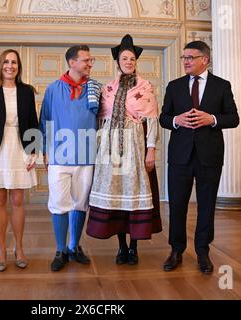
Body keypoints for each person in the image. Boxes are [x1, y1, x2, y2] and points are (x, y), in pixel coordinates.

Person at [159, 41, 239, 274]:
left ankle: (203, 252)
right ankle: (176, 250)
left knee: (206, 206)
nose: (185, 61)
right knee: (177, 205)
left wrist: (212, 119)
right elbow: (164, 117)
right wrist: (176, 121)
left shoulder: (222, 86)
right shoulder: (174, 86)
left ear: (205, 59)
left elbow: (233, 118)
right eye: (184, 57)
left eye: (190, 57)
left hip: (210, 156)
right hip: (179, 157)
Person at [86, 34, 162, 265]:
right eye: (124, 58)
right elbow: (100, 121)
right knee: (117, 195)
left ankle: (134, 247)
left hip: (135, 147)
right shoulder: (107, 88)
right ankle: (121, 247)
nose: (129, 62)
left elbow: (151, 121)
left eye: (132, 59)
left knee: (133, 194)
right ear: (117, 62)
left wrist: (151, 150)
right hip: (110, 151)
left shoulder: (145, 87)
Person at [39, 45, 101, 272]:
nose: (90, 64)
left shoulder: (95, 88)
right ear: (72, 62)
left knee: (80, 204)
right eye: (86, 60)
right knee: (58, 205)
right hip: (58, 156)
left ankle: (75, 246)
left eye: (91, 60)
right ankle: (60, 249)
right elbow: (44, 119)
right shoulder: (53, 89)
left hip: (86, 156)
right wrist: (44, 150)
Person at [0, 49, 38, 272]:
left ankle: (19, 249)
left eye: (14, 62)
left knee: (18, 201)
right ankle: (1, 249)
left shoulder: (26, 91)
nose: (10, 66)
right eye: (6, 62)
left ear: (18, 66)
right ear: (0, 65)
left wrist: (33, 152)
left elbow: (33, 123)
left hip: (20, 149)